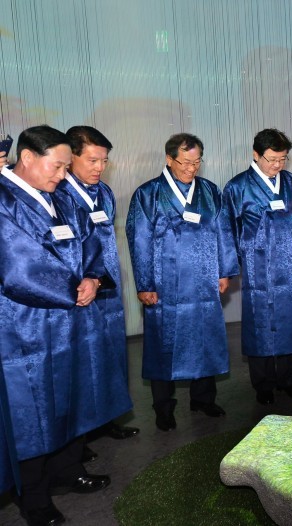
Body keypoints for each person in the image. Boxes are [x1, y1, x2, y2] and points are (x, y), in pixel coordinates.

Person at [0, 125, 121, 524]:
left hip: (70, 319)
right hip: (26, 327)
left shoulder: (60, 197)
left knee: (71, 394)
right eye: (57, 166)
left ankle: (69, 470)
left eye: (67, 167)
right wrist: (74, 288)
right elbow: (20, 268)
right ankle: (33, 498)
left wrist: (94, 278)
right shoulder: (4, 201)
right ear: (27, 157)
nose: (62, 174)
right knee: (32, 411)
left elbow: (91, 242)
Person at [126, 133, 238, 431]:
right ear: (169, 159)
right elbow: (139, 241)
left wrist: (224, 271)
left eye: (197, 162)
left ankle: (203, 398)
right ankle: (163, 407)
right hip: (164, 284)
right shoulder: (148, 194)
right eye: (185, 162)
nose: (191, 168)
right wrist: (145, 284)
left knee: (205, 338)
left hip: (204, 280)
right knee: (164, 344)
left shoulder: (210, 191)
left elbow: (224, 231)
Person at [54, 126, 139, 461]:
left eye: (104, 161)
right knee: (83, 360)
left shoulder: (104, 192)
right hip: (81, 292)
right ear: (70, 156)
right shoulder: (59, 194)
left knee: (111, 353)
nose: (100, 167)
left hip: (108, 287)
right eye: (92, 160)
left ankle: (107, 419)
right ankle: (81, 435)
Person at [222, 129, 292, 405]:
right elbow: (228, 230)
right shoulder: (237, 187)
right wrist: (232, 266)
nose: (277, 165)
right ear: (256, 155)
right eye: (272, 159)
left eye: (282, 159)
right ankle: (263, 384)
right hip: (257, 268)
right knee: (260, 326)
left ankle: (288, 378)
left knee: (290, 322)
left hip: (289, 267)